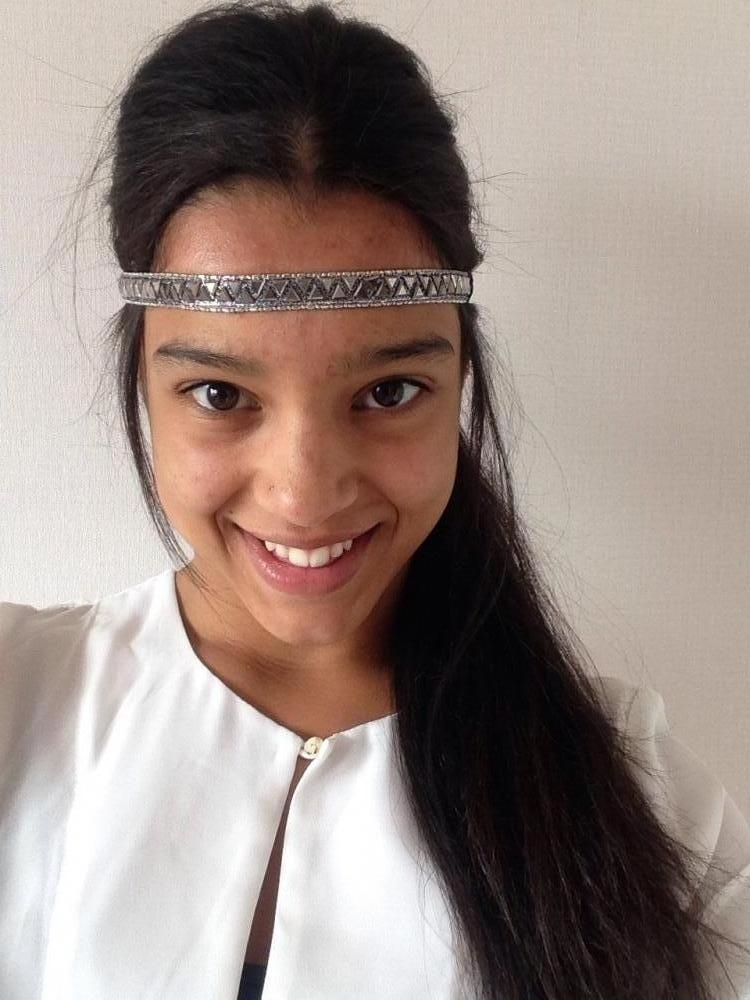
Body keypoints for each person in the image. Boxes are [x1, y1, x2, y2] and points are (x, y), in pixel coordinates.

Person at [1, 2, 748, 998]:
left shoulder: (640, 802)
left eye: (389, 392)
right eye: (220, 395)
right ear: (143, 383)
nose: (305, 491)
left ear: (459, 384)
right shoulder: (18, 704)